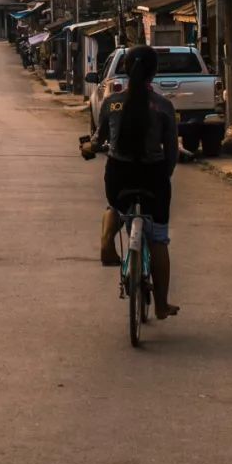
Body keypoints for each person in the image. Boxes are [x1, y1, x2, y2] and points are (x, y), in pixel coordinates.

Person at [92, 45, 179, 319]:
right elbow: (172, 152)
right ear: (154, 72)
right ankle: (162, 305)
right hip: (153, 177)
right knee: (158, 239)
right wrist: (165, 176)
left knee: (115, 207)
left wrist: (89, 148)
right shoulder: (164, 106)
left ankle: (108, 238)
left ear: (126, 69)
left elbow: (99, 139)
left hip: (119, 175)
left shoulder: (111, 103)